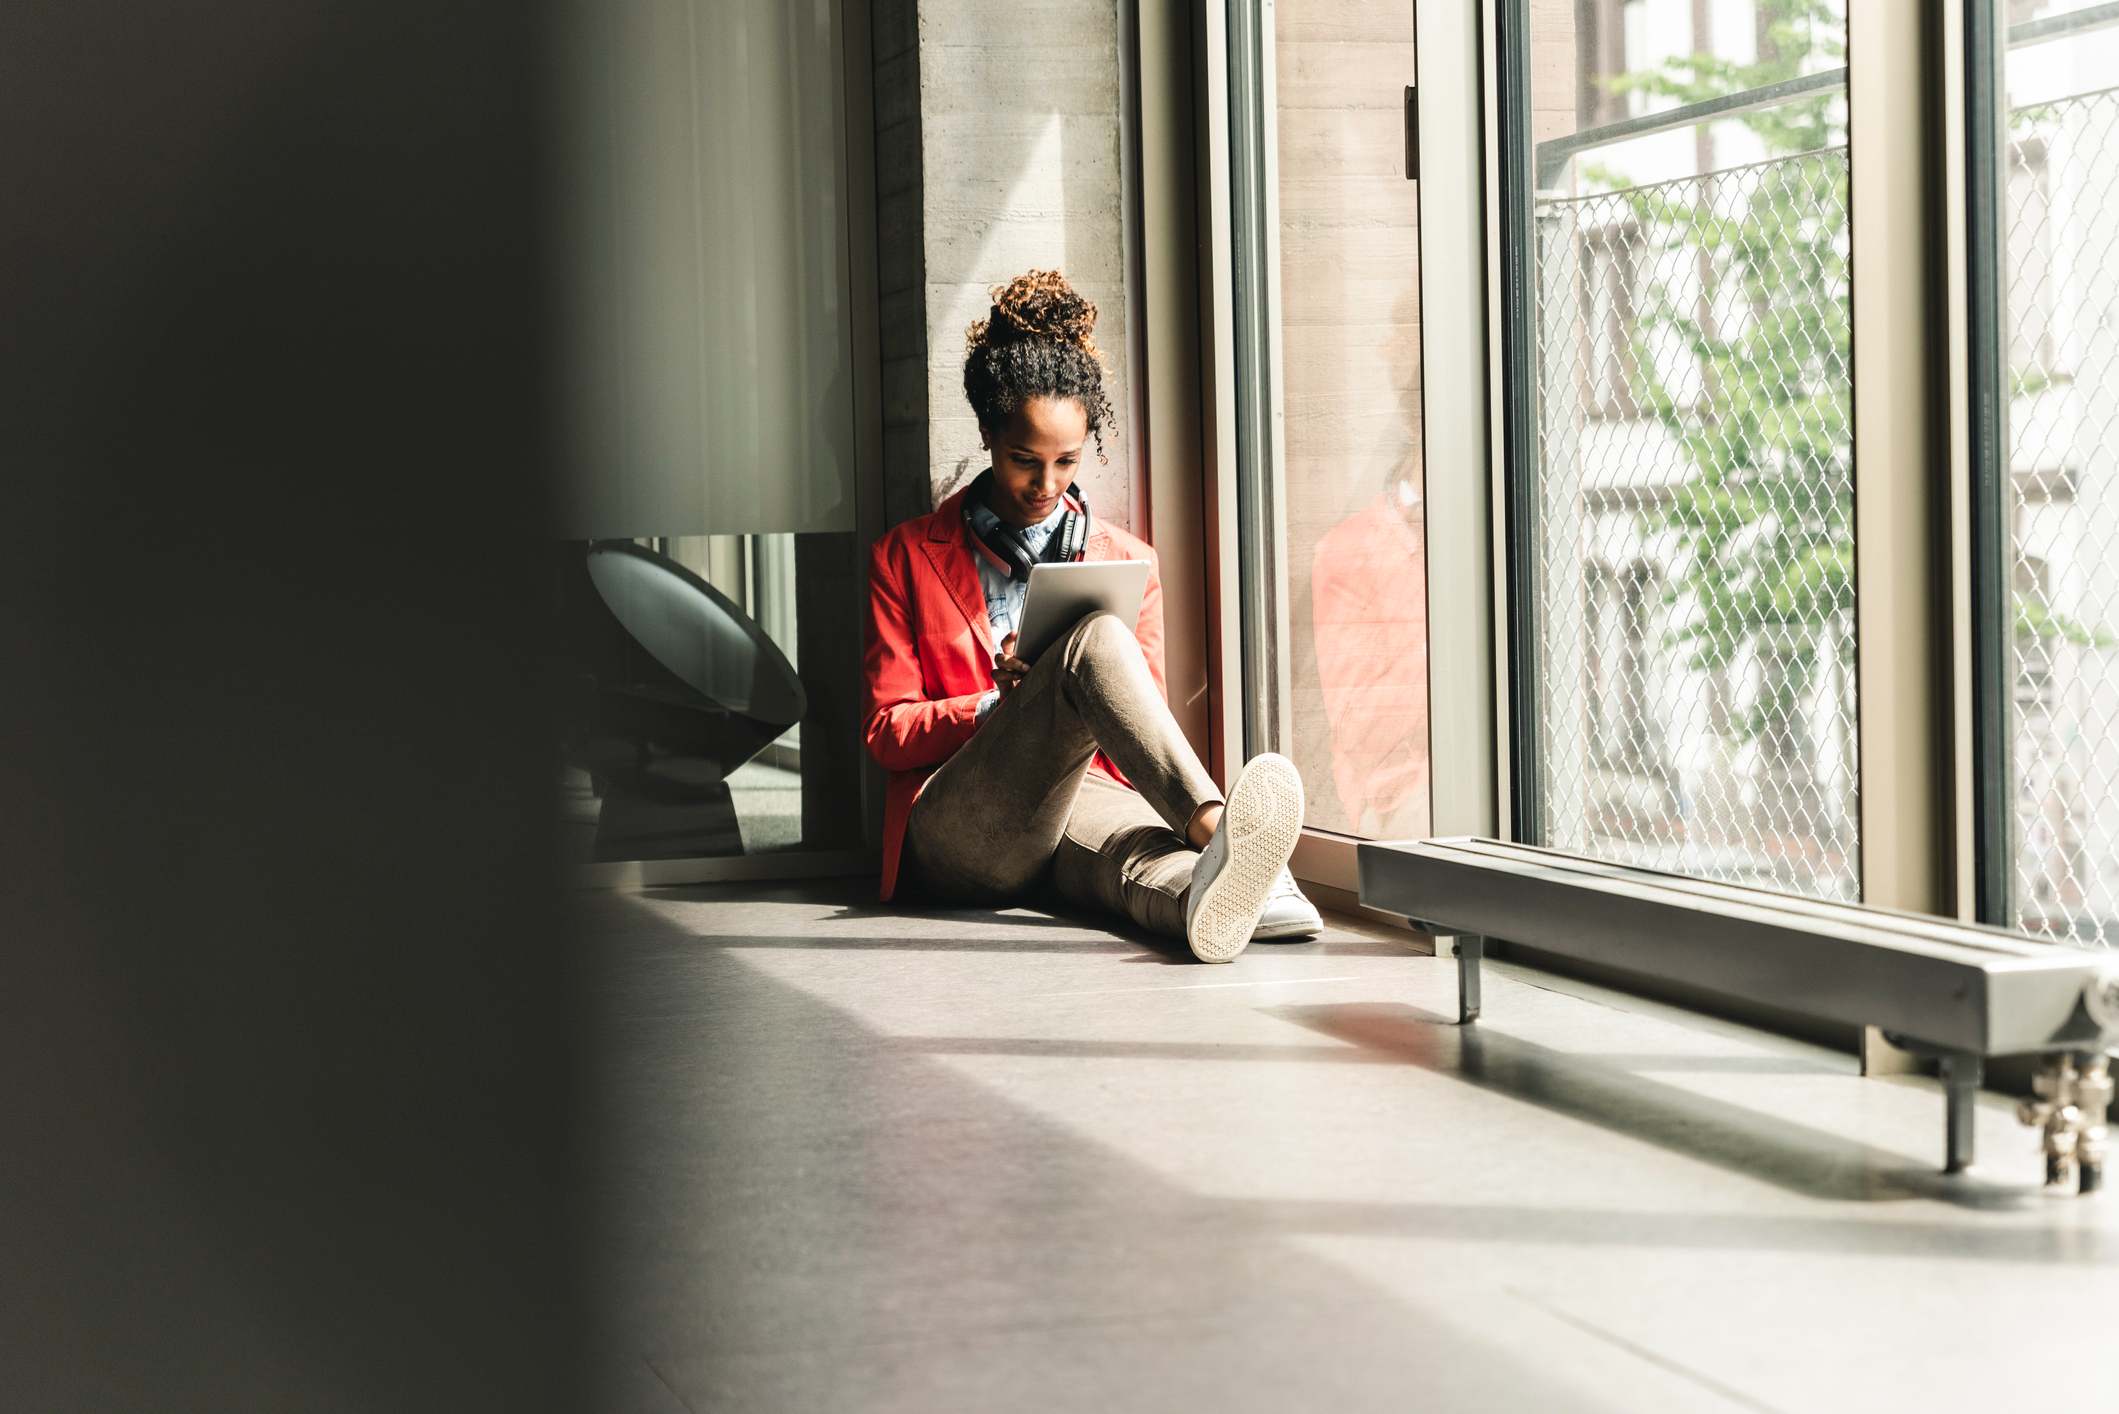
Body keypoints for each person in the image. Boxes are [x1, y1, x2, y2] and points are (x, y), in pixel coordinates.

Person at [861, 269, 1321, 961]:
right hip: (960, 827)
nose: (1045, 486)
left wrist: (1066, 698)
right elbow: (884, 734)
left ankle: (1237, 899)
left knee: (1139, 861)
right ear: (987, 431)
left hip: (1077, 801)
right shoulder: (905, 554)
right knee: (1097, 638)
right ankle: (1217, 824)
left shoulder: (1128, 559)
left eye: (1065, 462)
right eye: (1023, 460)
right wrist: (995, 706)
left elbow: (1136, 723)